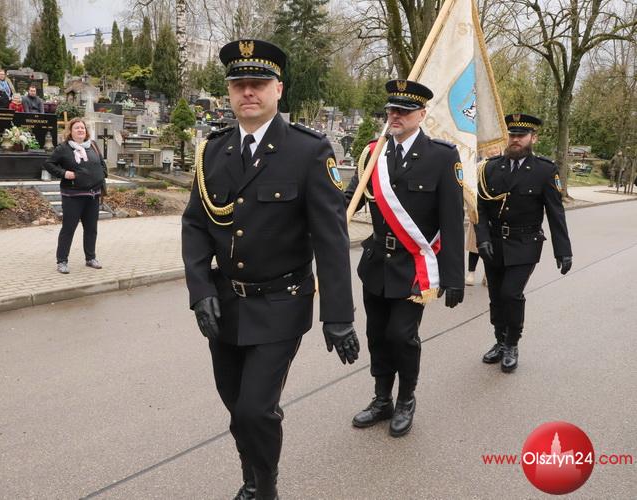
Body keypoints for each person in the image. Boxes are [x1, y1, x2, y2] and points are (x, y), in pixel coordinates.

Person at [181, 39, 359, 500]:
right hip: (226, 303)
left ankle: (266, 488)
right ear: (229, 91)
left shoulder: (307, 151)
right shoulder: (212, 151)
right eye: (239, 84)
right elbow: (195, 224)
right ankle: (251, 477)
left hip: (281, 303)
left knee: (257, 410)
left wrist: (338, 316)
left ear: (278, 89)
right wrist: (201, 290)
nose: (248, 92)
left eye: (258, 84)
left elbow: (331, 239)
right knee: (236, 407)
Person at [345, 79, 465, 438]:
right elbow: (350, 199)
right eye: (391, 109)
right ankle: (382, 399)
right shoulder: (374, 153)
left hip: (414, 266)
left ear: (422, 114)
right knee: (377, 335)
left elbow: (451, 221)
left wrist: (454, 277)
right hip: (376, 263)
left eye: (404, 110)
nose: (395, 116)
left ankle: (406, 399)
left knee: (402, 336)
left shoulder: (442, 157)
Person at [475, 114, 573, 373]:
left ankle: (512, 343)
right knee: (496, 296)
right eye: (512, 135)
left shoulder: (544, 170)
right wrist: (482, 238)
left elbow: (555, 212)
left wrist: (563, 251)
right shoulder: (490, 168)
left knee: (511, 293)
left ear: (533, 138)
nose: (515, 139)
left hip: (525, 243)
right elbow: (480, 208)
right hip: (494, 242)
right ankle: (499, 340)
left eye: (521, 135)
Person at [44, 118, 107, 274]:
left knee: (91, 229)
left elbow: (101, 163)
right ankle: (62, 261)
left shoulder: (93, 145)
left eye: (82, 128)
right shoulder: (63, 148)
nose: (80, 130)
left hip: (93, 195)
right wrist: (64, 173)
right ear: (70, 131)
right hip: (73, 196)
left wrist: (102, 174)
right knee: (68, 229)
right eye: (77, 128)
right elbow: (49, 164)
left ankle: (90, 258)